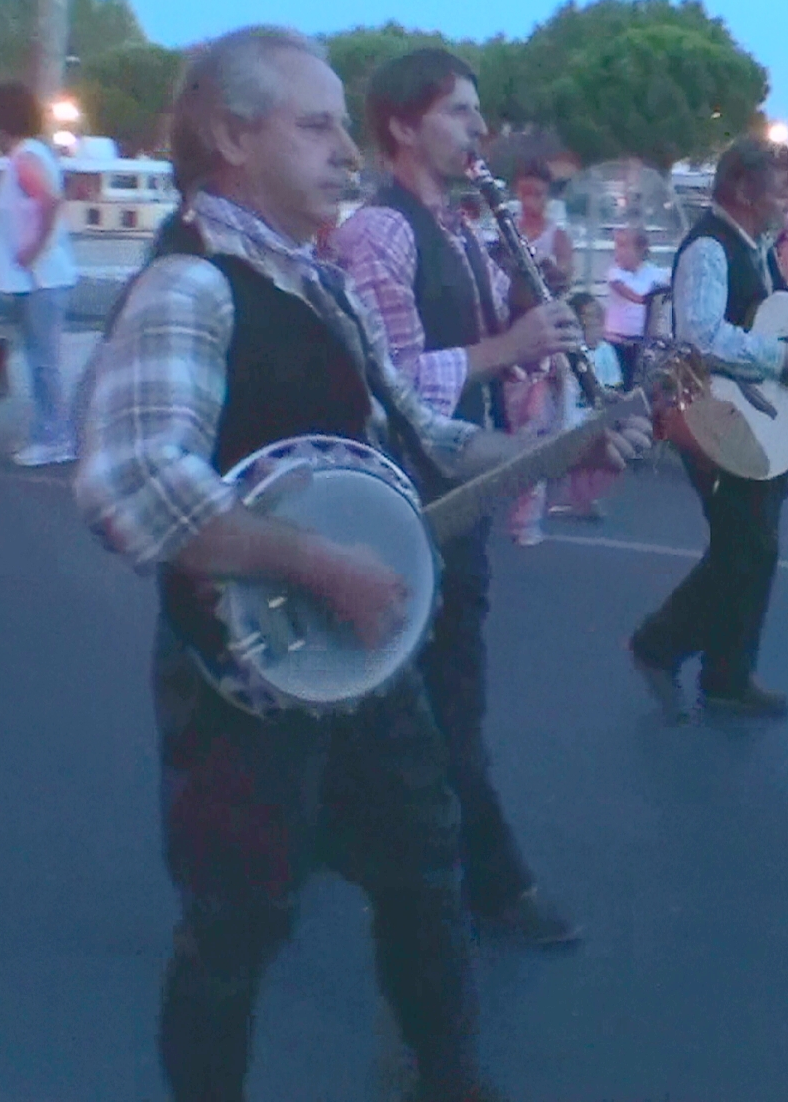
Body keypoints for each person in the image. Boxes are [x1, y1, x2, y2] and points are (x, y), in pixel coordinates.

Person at [75, 26, 644, 1102]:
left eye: (344, 126)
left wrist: (558, 448)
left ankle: (445, 1077)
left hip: (364, 666)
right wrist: (318, 564)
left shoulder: (318, 284)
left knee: (425, 869)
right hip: (241, 687)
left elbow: (423, 434)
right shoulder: (190, 288)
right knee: (235, 928)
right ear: (232, 136)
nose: (347, 150)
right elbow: (130, 484)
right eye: (316, 126)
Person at [322, 47, 588, 947]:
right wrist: (510, 347)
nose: (480, 130)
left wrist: (539, 323)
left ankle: (330, 836)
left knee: (420, 689)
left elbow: (485, 341)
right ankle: (492, 882)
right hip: (411, 495)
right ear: (403, 125)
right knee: (448, 698)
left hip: (459, 483)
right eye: (459, 113)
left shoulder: (463, 228)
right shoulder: (379, 234)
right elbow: (388, 379)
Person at [627, 137, 788, 724]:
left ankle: (727, 674)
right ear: (743, 188)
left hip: (748, 419)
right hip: (715, 421)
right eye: (780, 190)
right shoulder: (710, 250)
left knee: (749, 550)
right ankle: (660, 645)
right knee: (746, 549)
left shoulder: (752, 248)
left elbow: (767, 322)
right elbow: (700, 336)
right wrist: (781, 358)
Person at [0, 82, 81, 467]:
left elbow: (49, 200)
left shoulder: (25, 157)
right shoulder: (31, 154)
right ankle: (49, 432)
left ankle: (54, 437)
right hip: (43, 276)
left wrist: (33, 249)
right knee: (41, 359)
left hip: (41, 277)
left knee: (43, 361)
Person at [548, 292, 625, 522]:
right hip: (569, 422)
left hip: (595, 421)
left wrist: (616, 404)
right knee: (577, 464)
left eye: (597, 320)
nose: (593, 326)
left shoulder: (606, 351)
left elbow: (611, 388)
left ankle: (582, 499)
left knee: (612, 461)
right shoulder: (566, 352)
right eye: (587, 321)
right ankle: (573, 501)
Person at [602, 225, 665, 383]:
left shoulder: (655, 273)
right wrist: (652, 297)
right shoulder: (614, 273)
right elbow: (634, 296)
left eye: (624, 246)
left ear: (640, 249)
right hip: (615, 342)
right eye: (617, 246)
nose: (618, 251)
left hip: (642, 343)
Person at [511, 161, 574, 296]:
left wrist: (552, 270)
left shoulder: (557, 235)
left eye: (537, 194)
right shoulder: (508, 230)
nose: (529, 201)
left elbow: (566, 274)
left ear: (547, 196)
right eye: (525, 193)